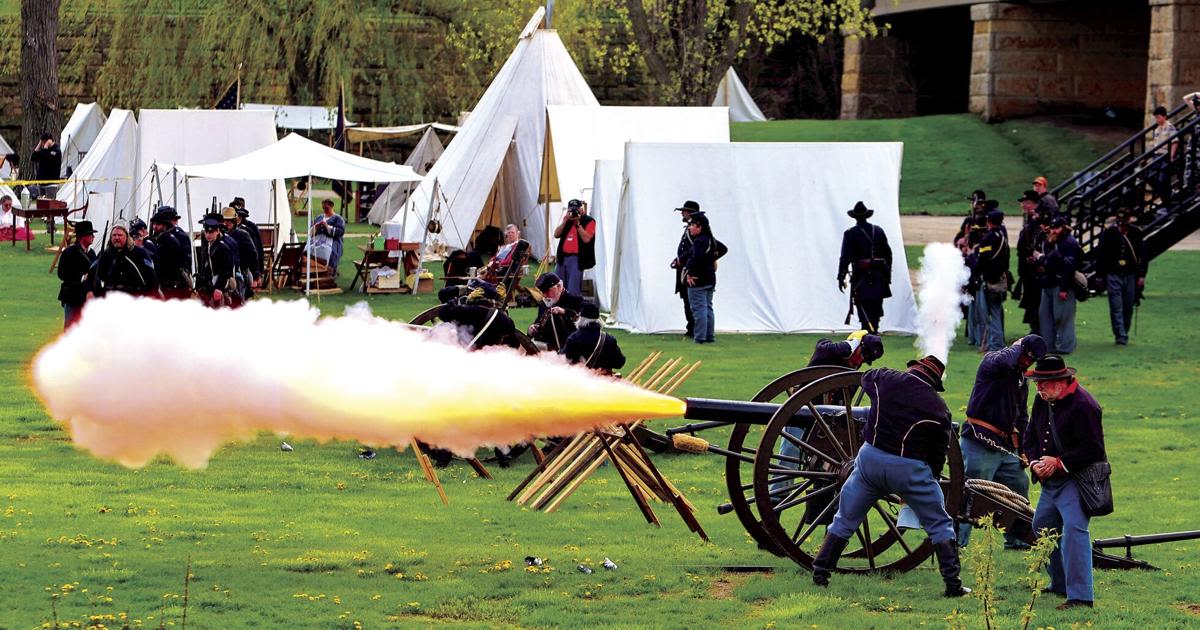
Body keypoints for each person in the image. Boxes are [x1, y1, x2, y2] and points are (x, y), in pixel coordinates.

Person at [811, 356, 969, 598]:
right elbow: (938, 454)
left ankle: (820, 574)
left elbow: (865, 378)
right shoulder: (939, 409)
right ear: (934, 382)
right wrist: (930, 480)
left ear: (914, 368)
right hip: (909, 470)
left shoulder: (886, 378)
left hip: (869, 462)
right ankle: (953, 585)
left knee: (845, 518)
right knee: (940, 524)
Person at [1022, 355, 1106, 610]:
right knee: (1043, 526)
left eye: (1043, 383)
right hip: (1052, 481)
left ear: (1060, 381)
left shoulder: (1085, 405)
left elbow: (1093, 449)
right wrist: (1036, 461)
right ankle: (1059, 584)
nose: (1039, 387)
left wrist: (1058, 463)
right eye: (1037, 382)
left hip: (1077, 479)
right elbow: (1030, 436)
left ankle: (1081, 597)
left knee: (1074, 532)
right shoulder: (1042, 400)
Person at [957, 334, 1047, 549]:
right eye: (1026, 357)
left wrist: (1024, 448)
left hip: (1005, 446)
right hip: (980, 440)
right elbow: (1007, 360)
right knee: (971, 494)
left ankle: (1017, 540)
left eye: (1031, 360)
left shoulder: (1020, 378)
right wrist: (1018, 347)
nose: (1027, 362)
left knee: (1018, 486)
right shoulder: (993, 361)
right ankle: (956, 543)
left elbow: (1022, 415)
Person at [837, 201, 893, 334]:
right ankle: (873, 332)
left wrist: (841, 276)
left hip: (861, 277)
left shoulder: (850, 234)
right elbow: (888, 255)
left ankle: (869, 335)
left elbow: (845, 258)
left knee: (864, 309)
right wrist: (887, 275)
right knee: (875, 309)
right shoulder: (878, 231)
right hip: (879, 276)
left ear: (855, 217)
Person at [1096, 210, 1147, 346]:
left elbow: (1142, 255)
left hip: (1130, 274)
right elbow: (1101, 254)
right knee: (1116, 307)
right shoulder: (1109, 233)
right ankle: (1120, 335)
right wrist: (1100, 275)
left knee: (1128, 306)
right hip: (1114, 274)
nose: (1122, 225)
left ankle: (1124, 330)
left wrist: (1142, 275)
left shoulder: (1136, 233)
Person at [1033, 216, 1082, 354]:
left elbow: (1069, 268)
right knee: (1045, 317)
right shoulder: (1049, 242)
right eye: (1053, 228)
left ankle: (1065, 348)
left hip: (1061, 285)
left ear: (1063, 228)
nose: (1053, 231)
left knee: (1063, 317)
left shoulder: (1069, 243)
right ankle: (1049, 347)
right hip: (1048, 283)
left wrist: (1064, 288)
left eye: (1057, 228)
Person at [968, 209, 1010, 352]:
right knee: (996, 312)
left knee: (987, 315)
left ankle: (993, 345)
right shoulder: (1003, 237)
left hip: (988, 280)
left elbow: (983, 260)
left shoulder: (988, 238)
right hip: (999, 279)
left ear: (989, 221)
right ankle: (997, 344)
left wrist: (975, 274)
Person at [684, 212, 726, 344]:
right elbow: (723, 249)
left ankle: (700, 337)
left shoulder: (699, 242)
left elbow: (696, 258)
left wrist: (688, 272)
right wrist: (712, 259)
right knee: (707, 308)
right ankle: (709, 336)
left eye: (691, 224)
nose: (689, 227)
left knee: (699, 309)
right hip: (710, 278)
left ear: (699, 226)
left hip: (698, 280)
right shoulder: (710, 239)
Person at [560, 302, 625, 375]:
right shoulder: (609, 339)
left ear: (581, 318)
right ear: (598, 319)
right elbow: (620, 363)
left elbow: (562, 362)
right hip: (606, 383)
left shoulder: (573, 339)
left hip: (581, 383)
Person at [670, 200, 703, 339]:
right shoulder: (690, 228)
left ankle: (695, 329)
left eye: (684, 211)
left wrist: (680, 259)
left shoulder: (697, 230)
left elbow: (693, 249)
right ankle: (692, 327)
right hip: (684, 268)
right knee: (687, 299)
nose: (682, 214)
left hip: (689, 269)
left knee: (692, 301)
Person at [1014, 191, 1046, 336]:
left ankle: (1038, 329)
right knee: (1031, 302)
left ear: (1033, 204)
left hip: (1037, 270)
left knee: (1036, 302)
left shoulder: (1040, 223)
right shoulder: (1031, 223)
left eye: (1026, 202)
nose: (1023, 205)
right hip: (1028, 270)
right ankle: (1035, 327)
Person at [56, 220, 97, 328]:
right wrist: (82, 277)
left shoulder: (92, 253)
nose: (93, 236)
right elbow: (62, 274)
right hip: (72, 296)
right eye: (90, 234)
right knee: (70, 328)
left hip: (87, 296)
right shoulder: (69, 252)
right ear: (82, 237)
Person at [528, 272, 582, 352]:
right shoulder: (544, 304)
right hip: (544, 352)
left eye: (548, 291)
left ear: (559, 286)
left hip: (568, 353)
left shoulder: (575, 301)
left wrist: (565, 312)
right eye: (543, 292)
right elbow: (538, 323)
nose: (545, 296)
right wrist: (531, 329)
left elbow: (589, 324)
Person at [553, 199, 596, 296]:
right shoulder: (567, 220)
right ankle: (559, 308)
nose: (573, 212)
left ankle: (573, 309)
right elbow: (556, 234)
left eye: (576, 210)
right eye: (571, 210)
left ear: (581, 209)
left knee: (573, 289)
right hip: (562, 257)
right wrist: (566, 220)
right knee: (558, 286)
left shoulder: (589, 221)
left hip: (577, 259)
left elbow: (586, 239)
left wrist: (577, 224)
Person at [149, 207, 193, 300]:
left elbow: (185, 261)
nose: (175, 222)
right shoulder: (159, 237)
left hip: (175, 281)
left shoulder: (176, 237)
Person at [195, 213, 237, 308]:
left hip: (218, 286)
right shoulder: (207, 246)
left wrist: (218, 288)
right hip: (208, 286)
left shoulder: (223, 247)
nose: (208, 235)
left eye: (211, 232)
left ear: (217, 232)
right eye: (206, 232)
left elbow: (225, 270)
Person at [221, 207, 260, 297]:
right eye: (224, 220)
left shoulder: (242, 234)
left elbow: (253, 254)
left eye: (229, 221)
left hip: (240, 274)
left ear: (234, 220)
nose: (226, 223)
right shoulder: (221, 236)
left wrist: (255, 276)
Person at [305, 198, 346, 275]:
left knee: (326, 251)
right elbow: (310, 231)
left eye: (326, 208)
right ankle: (312, 269)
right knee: (306, 249)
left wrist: (327, 226)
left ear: (332, 206)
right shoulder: (319, 217)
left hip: (331, 241)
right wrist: (316, 227)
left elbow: (340, 232)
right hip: (316, 240)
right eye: (323, 208)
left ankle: (328, 270)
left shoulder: (338, 219)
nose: (324, 210)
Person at [1148, 105, 1178, 204]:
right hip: (1157, 156)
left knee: (1162, 180)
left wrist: (1171, 156)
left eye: (1159, 117)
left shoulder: (1170, 127)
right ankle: (1164, 195)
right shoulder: (1157, 129)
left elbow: (1174, 142)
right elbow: (1154, 145)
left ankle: (1166, 198)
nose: (1157, 119)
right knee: (1149, 176)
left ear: (1164, 116)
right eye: (1156, 117)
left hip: (1165, 156)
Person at [230, 198, 264, 276]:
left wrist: (258, 271)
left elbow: (257, 249)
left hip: (246, 268)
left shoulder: (250, 227)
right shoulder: (226, 228)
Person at [29, 132, 63, 199]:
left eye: (44, 142)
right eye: (42, 142)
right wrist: (39, 145)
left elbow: (46, 159)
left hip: (51, 183)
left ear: (49, 141)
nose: (43, 144)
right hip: (41, 182)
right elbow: (33, 158)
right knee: (41, 205)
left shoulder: (56, 151)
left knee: (49, 205)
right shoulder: (44, 150)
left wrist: (46, 146)